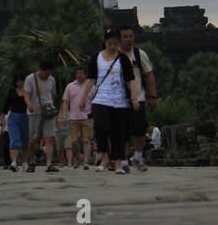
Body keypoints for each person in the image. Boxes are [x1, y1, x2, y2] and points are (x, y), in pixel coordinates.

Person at [88, 28, 139, 174]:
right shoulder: (96, 57)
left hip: (119, 100)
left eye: (115, 44)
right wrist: (84, 97)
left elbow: (131, 80)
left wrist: (134, 98)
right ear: (105, 43)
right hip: (101, 98)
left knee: (118, 133)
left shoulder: (123, 58)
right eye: (110, 44)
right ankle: (104, 158)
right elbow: (91, 78)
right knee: (100, 126)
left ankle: (117, 163)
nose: (112, 47)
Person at [118, 26, 157, 173]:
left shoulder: (139, 54)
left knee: (139, 128)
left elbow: (149, 75)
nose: (128, 39)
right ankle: (122, 159)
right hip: (119, 99)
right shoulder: (113, 56)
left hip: (138, 97)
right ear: (119, 39)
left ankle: (138, 156)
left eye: (130, 36)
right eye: (125, 37)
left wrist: (152, 96)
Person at [24, 59, 59, 173]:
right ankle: (32, 161)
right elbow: (26, 94)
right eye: (47, 72)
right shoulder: (30, 79)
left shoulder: (52, 79)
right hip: (35, 112)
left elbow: (53, 94)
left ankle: (49, 164)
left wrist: (50, 107)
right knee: (33, 139)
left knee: (49, 138)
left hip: (48, 112)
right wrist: (29, 104)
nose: (49, 75)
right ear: (42, 70)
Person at [61, 64, 94, 170]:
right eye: (77, 73)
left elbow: (96, 101)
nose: (79, 75)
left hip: (87, 116)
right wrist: (65, 114)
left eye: (81, 73)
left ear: (85, 74)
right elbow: (65, 101)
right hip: (73, 117)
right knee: (74, 140)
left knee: (86, 140)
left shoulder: (91, 86)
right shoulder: (70, 86)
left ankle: (86, 162)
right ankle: (77, 156)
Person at [0, 75, 29, 173]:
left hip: (25, 116)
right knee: (14, 139)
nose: (20, 82)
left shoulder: (28, 91)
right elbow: (6, 105)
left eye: (22, 80)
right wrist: (1, 118)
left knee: (25, 140)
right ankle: (14, 162)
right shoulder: (11, 92)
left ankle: (24, 163)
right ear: (15, 82)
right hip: (13, 117)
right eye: (18, 80)